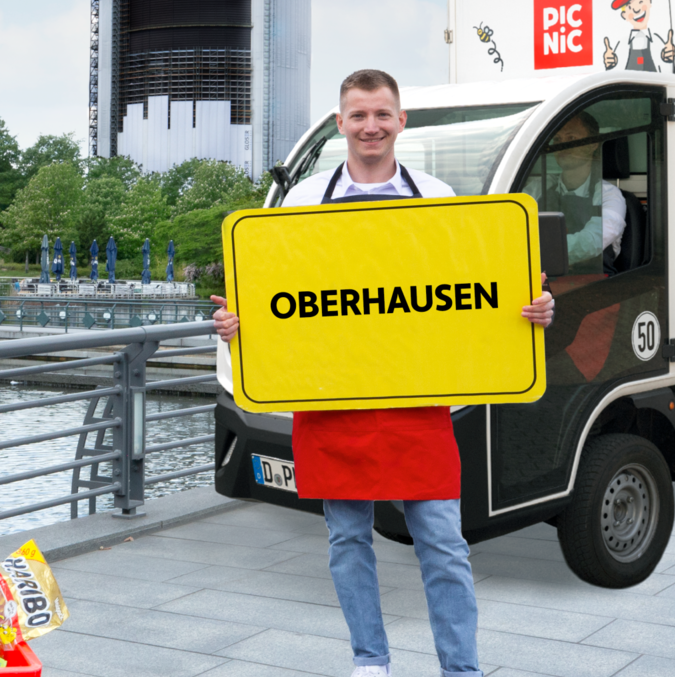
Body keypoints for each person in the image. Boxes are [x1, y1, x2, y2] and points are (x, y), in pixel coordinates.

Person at [211, 69, 555, 677]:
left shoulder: (440, 197)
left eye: (382, 114)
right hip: (331, 398)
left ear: (402, 122)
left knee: (444, 546)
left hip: (416, 402)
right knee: (347, 541)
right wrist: (242, 327)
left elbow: (473, 292)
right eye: (359, 115)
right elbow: (275, 296)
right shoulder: (301, 200)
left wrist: (532, 310)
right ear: (340, 123)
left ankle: (461, 669)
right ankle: (370, 661)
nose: (371, 126)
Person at [520, 111, 625, 273]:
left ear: (593, 144)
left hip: (594, 289)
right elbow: (513, 228)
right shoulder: (538, 188)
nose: (562, 146)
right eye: (558, 140)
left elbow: (592, 241)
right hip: (540, 287)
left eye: (571, 138)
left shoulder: (609, 195)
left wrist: (542, 254)